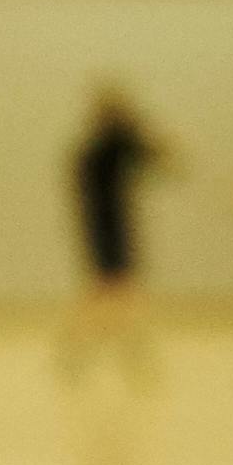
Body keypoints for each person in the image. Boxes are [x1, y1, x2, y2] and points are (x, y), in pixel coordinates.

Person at [64, 85, 168, 376]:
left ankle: (123, 348)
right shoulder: (114, 142)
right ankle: (124, 349)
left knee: (111, 288)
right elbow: (161, 158)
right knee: (112, 289)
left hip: (100, 225)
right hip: (111, 226)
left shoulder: (91, 148)